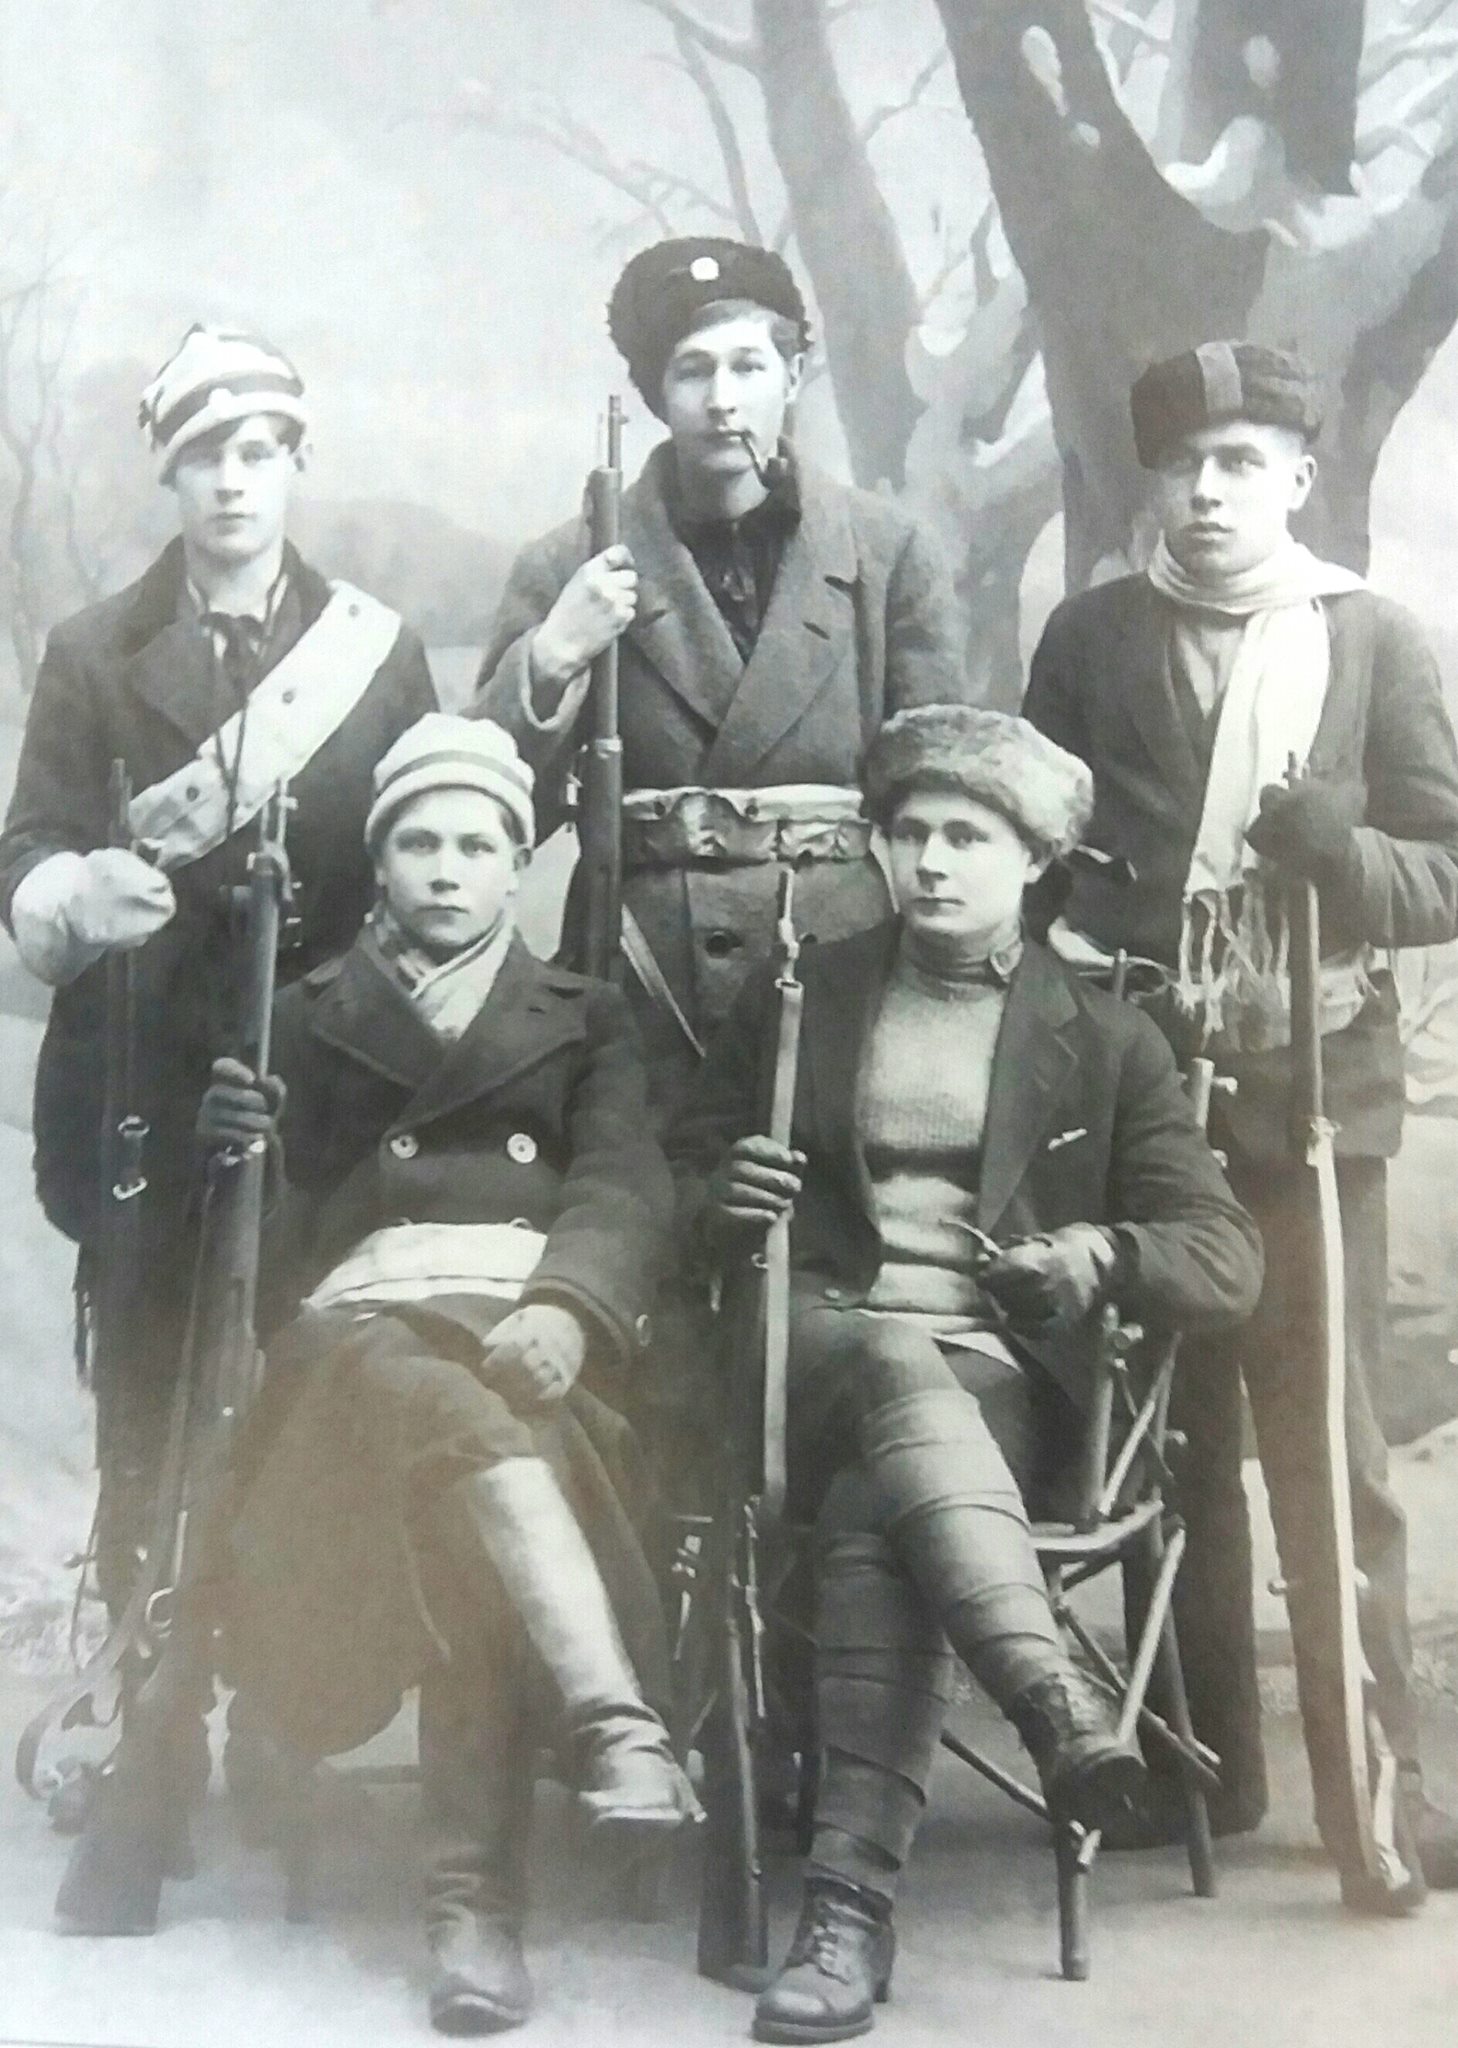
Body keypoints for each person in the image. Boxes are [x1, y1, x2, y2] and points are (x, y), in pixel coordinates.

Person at [669, 706, 1263, 2042]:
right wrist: (722, 1191)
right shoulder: (799, 998)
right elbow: (674, 1174)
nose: (928, 861)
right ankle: (1055, 1696)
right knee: (884, 1352)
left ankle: (845, 1918)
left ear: (1033, 856)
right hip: (799, 1368)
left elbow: (1224, 1254)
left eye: (964, 837)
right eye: (907, 832)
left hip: (987, 1402)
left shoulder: (1105, 1041)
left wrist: (1099, 1253)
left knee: (884, 1515)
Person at [1022, 340, 1458, 1898]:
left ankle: (1375, 1803)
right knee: (1169, 1454)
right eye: (1178, 467)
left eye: (1236, 465)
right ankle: (1202, 1777)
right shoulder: (1088, 639)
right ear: (1151, 482)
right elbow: (1032, 861)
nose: (1203, 496)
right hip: (1142, 1111)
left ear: (1293, 477)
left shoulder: (1370, 640)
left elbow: (1446, 874)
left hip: (1306, 1111)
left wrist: (1338, 852)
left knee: (1324, 1455)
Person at [198, 715, 696, 2035]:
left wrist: (573, 1308)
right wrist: (238, 1156)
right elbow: (263, 1259)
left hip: (526, 1340)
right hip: (346, 1347)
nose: (444, 866)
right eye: (416, 839)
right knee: (438, 1414)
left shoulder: (583, 1018)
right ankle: (605, 1723)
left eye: (477, 842)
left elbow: (618, 1185)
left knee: (462, 1484)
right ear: (379, 861)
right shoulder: (301, 1016)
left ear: (517, 862)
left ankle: (471, 1911)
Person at [0, 325, 436, 1628]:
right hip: (146, 1068)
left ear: (297, 462)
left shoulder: (378, 649)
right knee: (148, 1377)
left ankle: (281, 1697)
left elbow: (421, 850)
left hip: (320, 1069)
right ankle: (139, 1673)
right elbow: (28, 840)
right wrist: (71, 890)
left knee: (302, 1377)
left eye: (259, 452)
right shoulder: (92, 651)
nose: (233, 482)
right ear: (170, 478)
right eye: (203, 457)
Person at [475, 235, 964, 1120]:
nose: (723, 399)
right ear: (657, 397)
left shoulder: (890, 555)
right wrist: (552, 658)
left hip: (836, 962)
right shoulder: (570, 563)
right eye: (693, 371)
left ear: (795, 374)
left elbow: (942, 796)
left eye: (749, 364)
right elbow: (491, 804)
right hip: (638, 969)